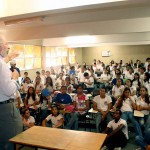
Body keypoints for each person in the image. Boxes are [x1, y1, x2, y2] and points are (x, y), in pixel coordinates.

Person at [0, 36, 23, 149]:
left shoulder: (2, 63)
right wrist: (15, 78)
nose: (8, 46)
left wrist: (9, 57)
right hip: (5, 110)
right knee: (11, 139)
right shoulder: (2, 65)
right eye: (6, 43)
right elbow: (9, 91)